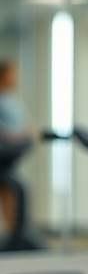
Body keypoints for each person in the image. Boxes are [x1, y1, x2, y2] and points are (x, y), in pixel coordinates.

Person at [0, 59, 30, 233]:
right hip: (3, 152)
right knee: (6, 188)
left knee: (11, 189)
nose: (15, 78)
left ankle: (13, 232)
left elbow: (22, 123)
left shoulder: (13, 100)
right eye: (12, 74)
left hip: (11, 155)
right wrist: (9, 135)